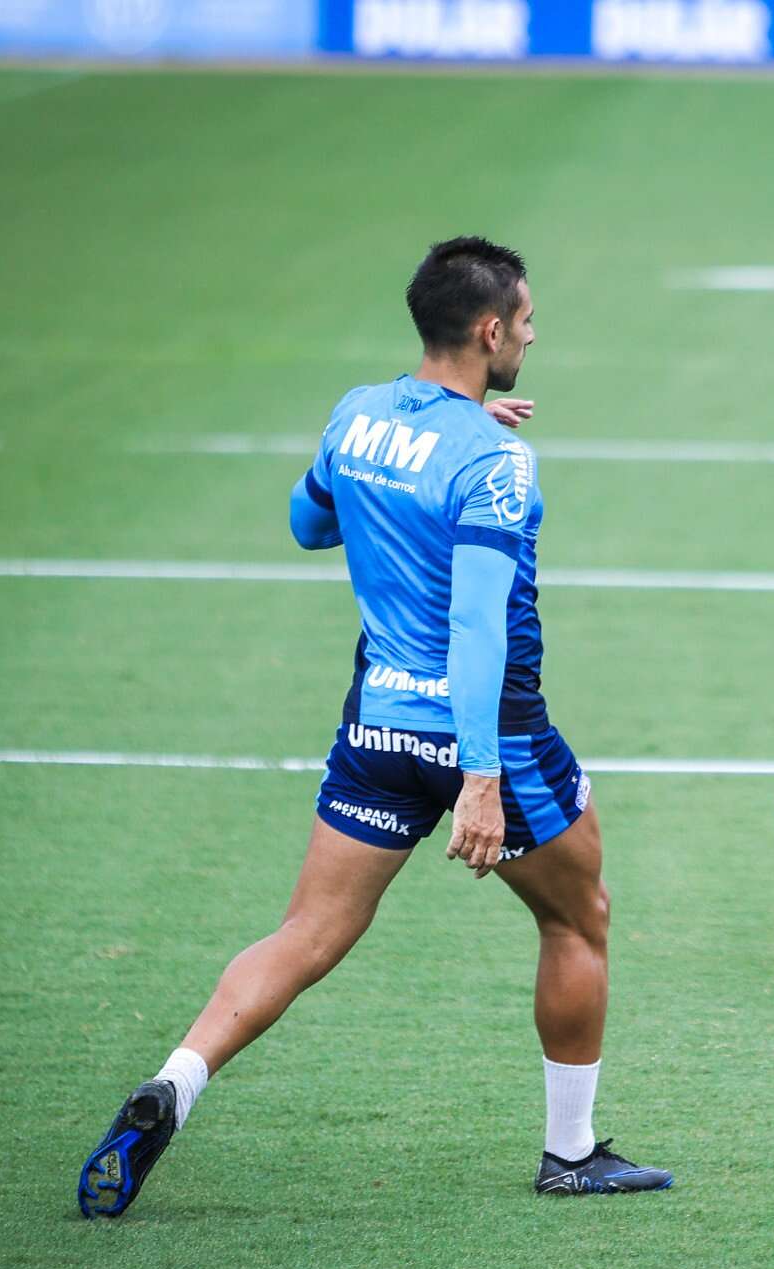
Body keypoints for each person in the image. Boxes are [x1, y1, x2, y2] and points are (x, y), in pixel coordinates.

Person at [77, 237, 672, 1215]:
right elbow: (478, 627)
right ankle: (570, 1153)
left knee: (308, 931)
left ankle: (175, 1081)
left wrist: (434, 452)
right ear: (490, 330)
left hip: (378, 729)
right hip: (494, 738)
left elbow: (309, 525)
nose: (531, 333)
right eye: (524, 321)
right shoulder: (497, 462)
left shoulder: (356, 415)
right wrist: (480, 777)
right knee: (578, 916)